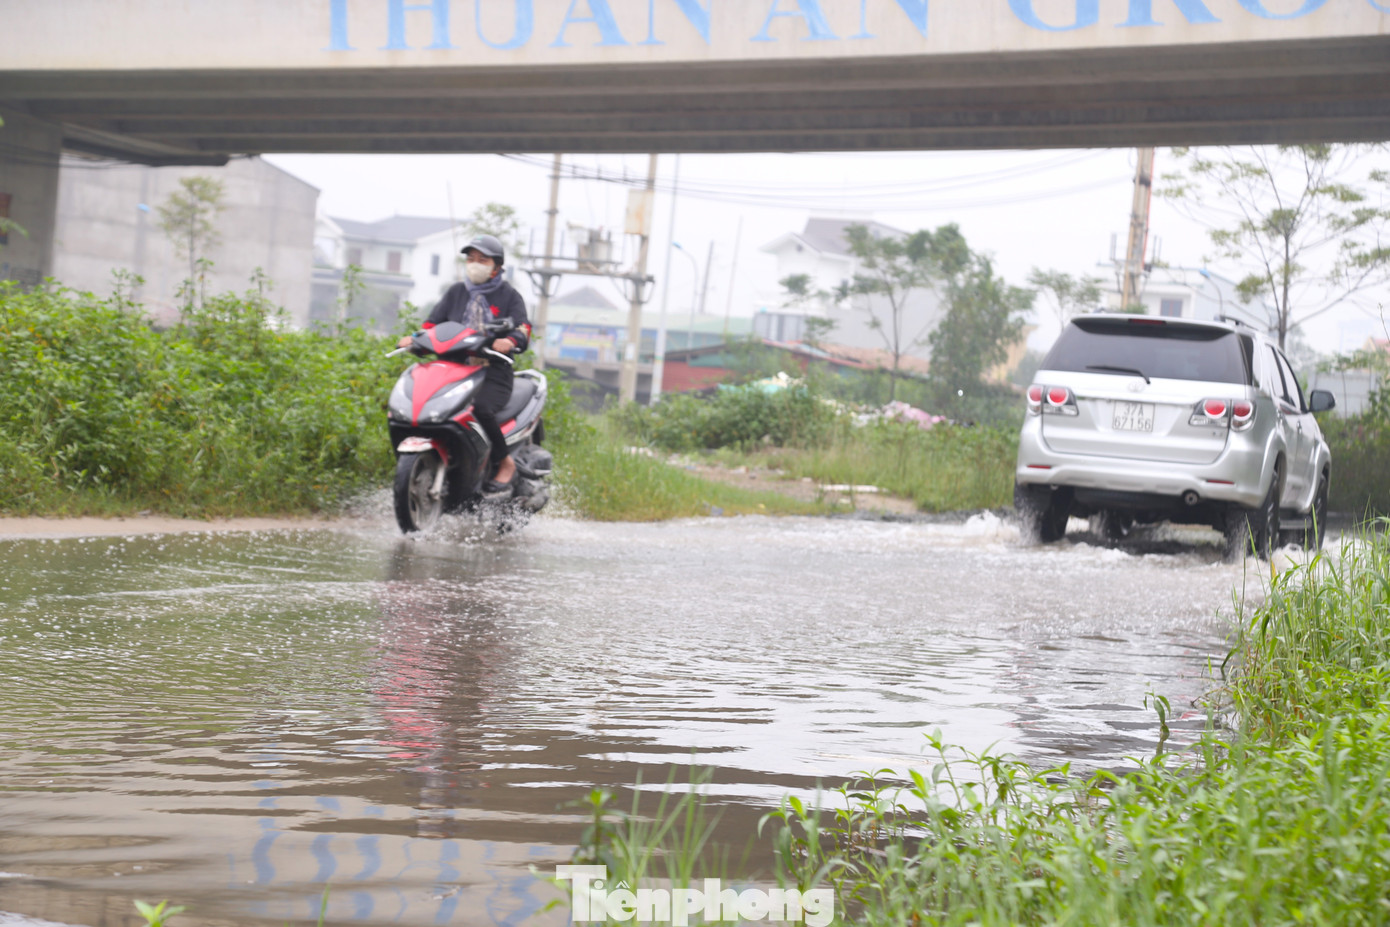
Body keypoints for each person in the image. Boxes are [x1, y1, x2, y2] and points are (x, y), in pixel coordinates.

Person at [397, 234, 531, 493]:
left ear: (497, 266)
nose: (475, 264)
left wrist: (510, 340)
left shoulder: (509, 295)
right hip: (453, 371)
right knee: (422, 403)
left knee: (481, 409)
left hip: (492, 372)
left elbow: (523, 328)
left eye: (483, 259)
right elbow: (431, 325)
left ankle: (504, 463)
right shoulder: (456, 292)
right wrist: (414, 339)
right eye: (471, 259)